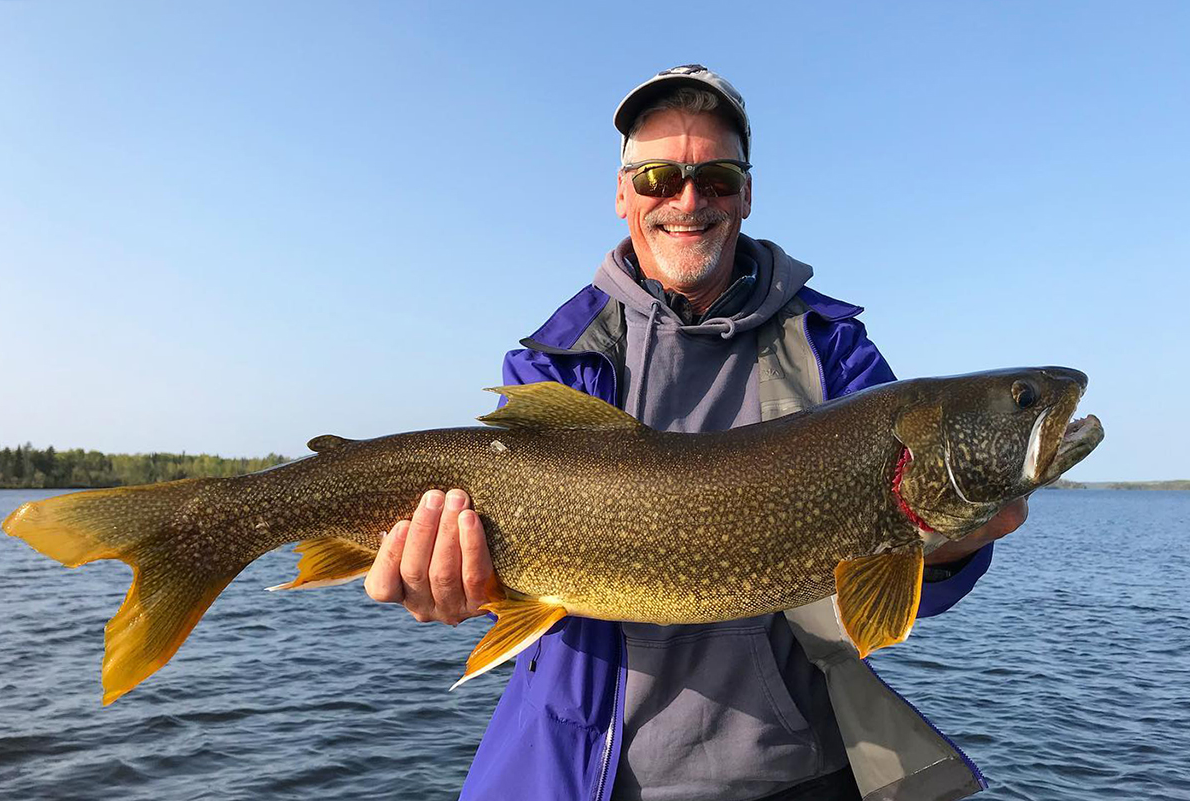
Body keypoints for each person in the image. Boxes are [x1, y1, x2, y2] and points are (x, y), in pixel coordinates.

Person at [364, 65, 1027, 801]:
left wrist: (951, 544)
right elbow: (508, 580)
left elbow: (893, 601)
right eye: (657, 176)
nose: (687, 199)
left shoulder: (835, 352)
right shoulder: (556, 360)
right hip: (587, 772)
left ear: (746, 192)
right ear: (622, 195)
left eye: (714, 177)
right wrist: (462, 586)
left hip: (798, 772)